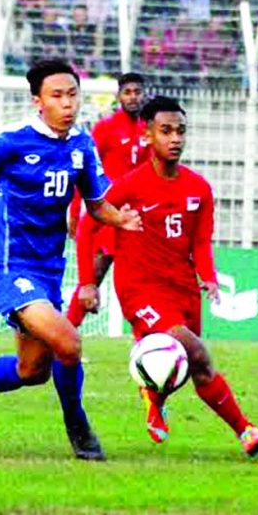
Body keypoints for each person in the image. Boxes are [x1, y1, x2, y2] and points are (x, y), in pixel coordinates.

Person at [0, 60, 142, 460]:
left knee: (32, 371)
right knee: (69, 343)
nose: (67, 104)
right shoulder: (13, 142)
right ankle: (78, 426)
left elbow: (97, 205)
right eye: (57, 96)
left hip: (48, 270)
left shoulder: (82, 146)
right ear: (37, 101)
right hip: (9, 267)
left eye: (72, 94)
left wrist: (120, 218)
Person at [75, 96, 258, 458]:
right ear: (147, 136)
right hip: (139, 288)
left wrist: (208, 277)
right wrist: (88, 281)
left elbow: (201, 241)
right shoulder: (129, 186)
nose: (175, 138)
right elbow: (89, 224)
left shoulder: (199, 188)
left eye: (180, 131)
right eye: (165, 131)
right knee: (196, 352)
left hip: (183, 289)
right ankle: (246, 430)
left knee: (191, 367)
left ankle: (153, 398)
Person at [67, 72, 149, 326]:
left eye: (137, 92)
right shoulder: (106, 128)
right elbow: (84, 172)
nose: (133, 97)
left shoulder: (151, 128)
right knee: (92, 276)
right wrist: (74, 211)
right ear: (119, 96)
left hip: (137, 219)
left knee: (145, 284)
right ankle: (65, 335)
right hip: (106, 214)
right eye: (128, 92)